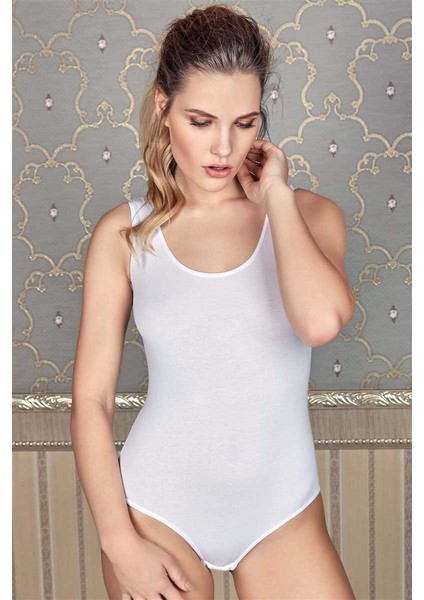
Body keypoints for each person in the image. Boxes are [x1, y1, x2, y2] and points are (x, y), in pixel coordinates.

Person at [70, 5, 356, 599]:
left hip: (282, 513)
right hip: (158, 510)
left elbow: (320, 321)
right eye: (200, 121)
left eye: (244, 123)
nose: (223, 147)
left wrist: (276, 197)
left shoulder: (309, 216)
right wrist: (120, 543)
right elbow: (92, 402)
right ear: (163, 106)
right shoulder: (124, 235)